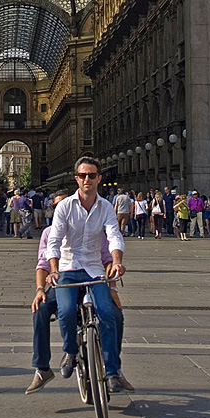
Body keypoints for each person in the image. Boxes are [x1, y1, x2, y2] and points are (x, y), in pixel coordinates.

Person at [26, 189, 134, 395]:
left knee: (116, 316)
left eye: (62, 205)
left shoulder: (94, 225)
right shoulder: (49, 233)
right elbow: (42, 265)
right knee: (40, 309)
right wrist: (40, 289)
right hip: (62, 278)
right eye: (56, 206)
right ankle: (42, 369)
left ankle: (115, 368)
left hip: (92, 275)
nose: (60, 209)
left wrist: (113, 288)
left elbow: (107, 257)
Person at [46, 155, 129, 394]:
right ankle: (70, 352)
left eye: (91, 175)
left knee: (107, 314)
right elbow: (54, 240)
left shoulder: (106, 207)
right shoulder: (64, 207)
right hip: (69, 268)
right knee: (66, 311)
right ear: (76, 178)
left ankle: (112, 372)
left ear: (99, 179)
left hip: (94, 269)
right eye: (82, 175)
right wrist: (53, 269)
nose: (87, 179)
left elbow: (114, 235)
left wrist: (116, 261)